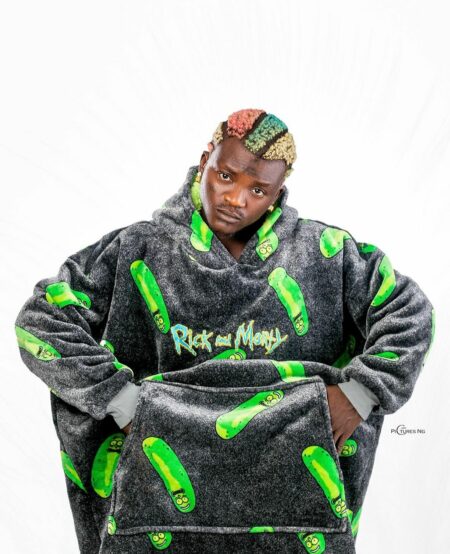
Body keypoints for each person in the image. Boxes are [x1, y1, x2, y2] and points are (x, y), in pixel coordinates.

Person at [14, 108, 435, 554]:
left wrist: (361, 393)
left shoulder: (327, 254)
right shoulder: (136, 248)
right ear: (205, 161)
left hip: (300, 506)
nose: (236, 198)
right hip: (151, 506)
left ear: (277, 193)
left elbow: (411, 314)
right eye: (226, 175)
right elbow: (42, 320)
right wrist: (118, 399)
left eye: (258, 190)